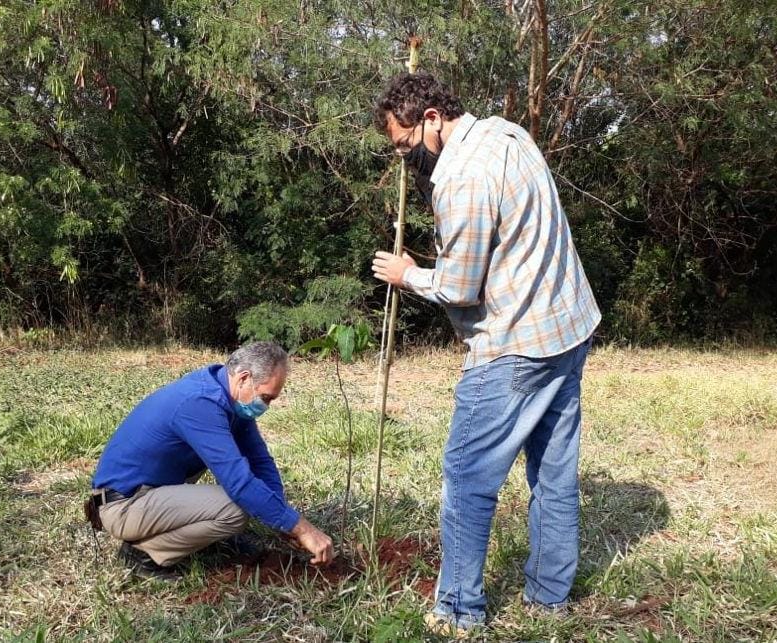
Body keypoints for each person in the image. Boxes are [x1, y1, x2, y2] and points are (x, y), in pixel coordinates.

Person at [371, 72, 601, 637]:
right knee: (553, 475)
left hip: (513, 346)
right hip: (567, 329)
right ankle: (549, 599)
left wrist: (407, 275)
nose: (406, 161)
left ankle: (458, 609)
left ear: (431, 119)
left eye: (404, 147)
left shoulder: (463, 178)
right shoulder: (504, 133)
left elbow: (461, 286)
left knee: (467, 478)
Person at [87, 341, 334, 579]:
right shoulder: (200, 404)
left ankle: (203, 537)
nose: (266, 406)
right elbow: (240, 483)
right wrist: (301, 528)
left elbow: (260, 461)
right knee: (236, 508)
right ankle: (144, 554)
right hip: (124, 505)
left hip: (152, 490)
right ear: (244, 378)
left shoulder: (228, 398)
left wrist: (282, 518)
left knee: (244, 499)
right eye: (266, 398)